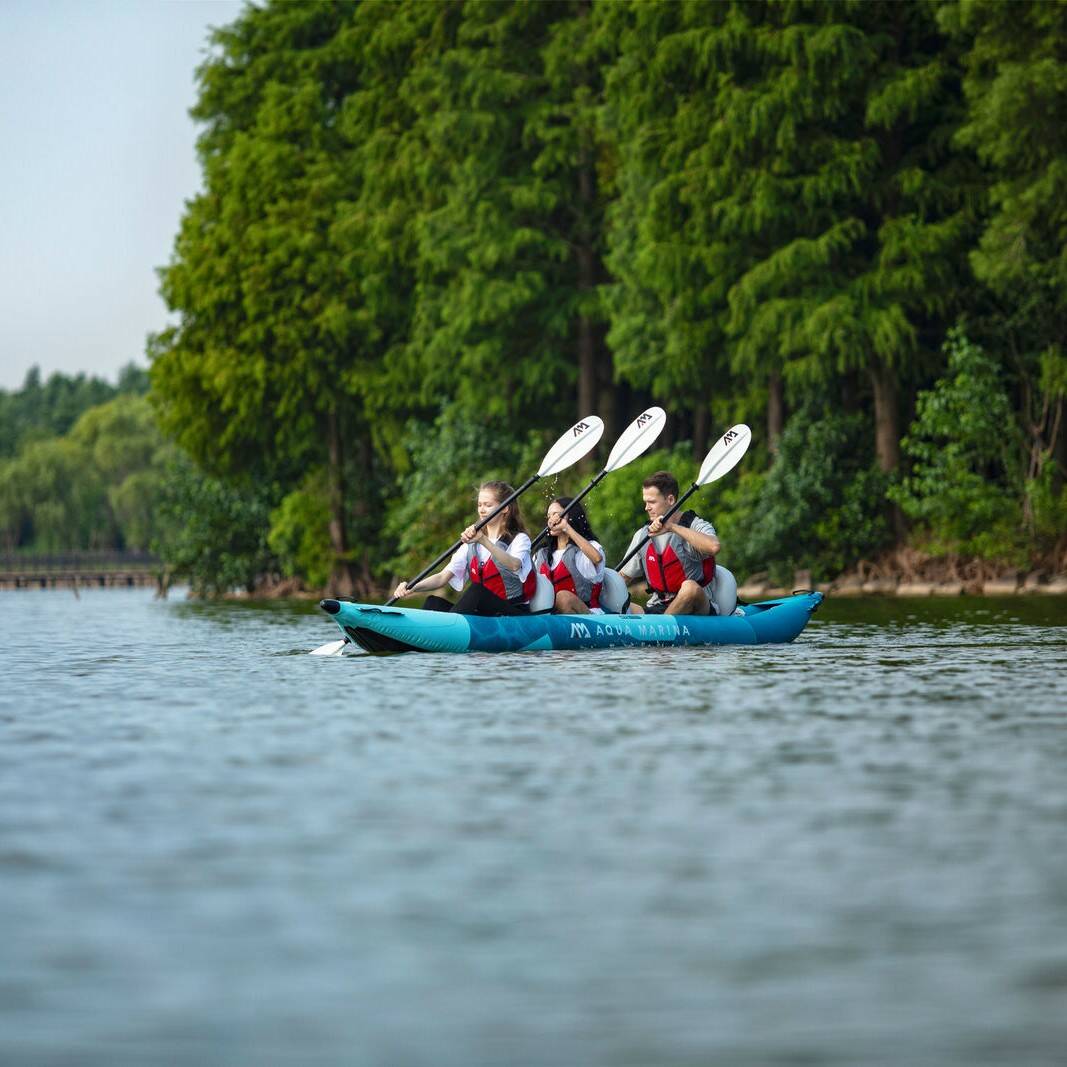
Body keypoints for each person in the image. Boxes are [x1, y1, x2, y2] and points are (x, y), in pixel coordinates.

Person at [392, 481, 536, 616]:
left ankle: (449, 633)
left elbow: (515, 565)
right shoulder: (471, 544)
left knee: (477, 590)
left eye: (488, 505)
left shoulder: (519, 539)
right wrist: (412, 587)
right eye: (479, 505)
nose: (482, 510)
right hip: (485, 614)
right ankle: (419, 640)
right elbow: (442, 577)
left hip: (513, 612)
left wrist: (483, 541)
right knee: (433, 602)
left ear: (505, 508)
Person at [618, 470, 720, 615]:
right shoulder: (643, 534)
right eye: (645, 502)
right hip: (658, 607)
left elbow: (714, 546)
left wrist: (671, 527)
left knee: (689, 587)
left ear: (670, 500)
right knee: (616, 602)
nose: (646, 508)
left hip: (696, 608)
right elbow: (622, 578)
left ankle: (661, 631)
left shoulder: (694, 525)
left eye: (652, 502)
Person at [534, 497, 606, 614]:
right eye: (549, 516)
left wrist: (566, 528)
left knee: (563, 598)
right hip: (552, 617)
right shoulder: (541, 554)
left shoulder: (589, 547)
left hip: (589, 615)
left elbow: (597, 559)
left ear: (570, 517)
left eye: (555, 514)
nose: (551, 520)